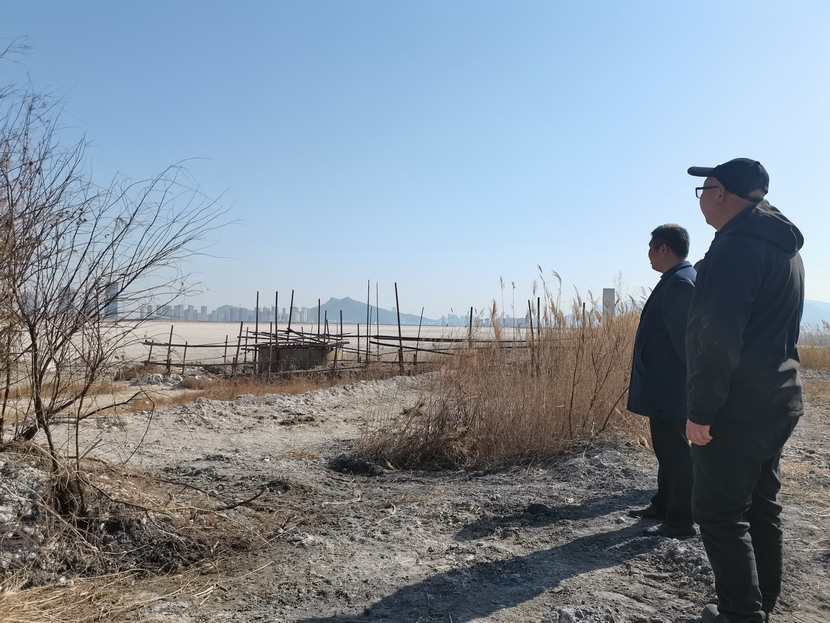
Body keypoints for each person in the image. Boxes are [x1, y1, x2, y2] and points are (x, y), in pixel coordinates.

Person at [685, 158, 804, 623]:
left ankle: (740, 614)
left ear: (721, 193)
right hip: (778, 398)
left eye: (704, 190)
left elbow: (719, 337)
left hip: (737, 407)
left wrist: (701, 410)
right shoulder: (784, 247)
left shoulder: (735, 248)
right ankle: (760, 605)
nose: (701, 200)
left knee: (718, 513)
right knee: (760, 508)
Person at [626, 224, 696, 539]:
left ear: (664, 248)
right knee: (667, 451)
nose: (649, 255)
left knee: (676, 454)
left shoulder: (680, 283)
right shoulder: (678, 279)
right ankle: (664, 505)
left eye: (651, 248)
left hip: (672, 389)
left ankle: (680, 521)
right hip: (667, 388)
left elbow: (686, 345)